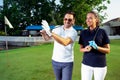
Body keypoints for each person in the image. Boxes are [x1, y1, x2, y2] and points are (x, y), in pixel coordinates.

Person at [40, 11, 77, 80]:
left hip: (67, 62)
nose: (67, 21)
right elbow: (47, 39)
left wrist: (50, 32)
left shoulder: (73, 32)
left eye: (69, 20)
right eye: (65, 19)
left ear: (73, 21)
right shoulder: (57, 29)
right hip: (55, 60)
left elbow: (65, 42)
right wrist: (44, 34)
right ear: (63, 19)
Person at [78, 11, 110, 80]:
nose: (88, 20)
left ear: (96, 19)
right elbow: (81, 49)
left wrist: (97, 47)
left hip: (100, 66)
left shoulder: (102, 32)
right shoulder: (83, 33)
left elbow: (108, 50)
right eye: (87, 18)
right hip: (86, 65)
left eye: (90, 18)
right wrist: (85, 49)